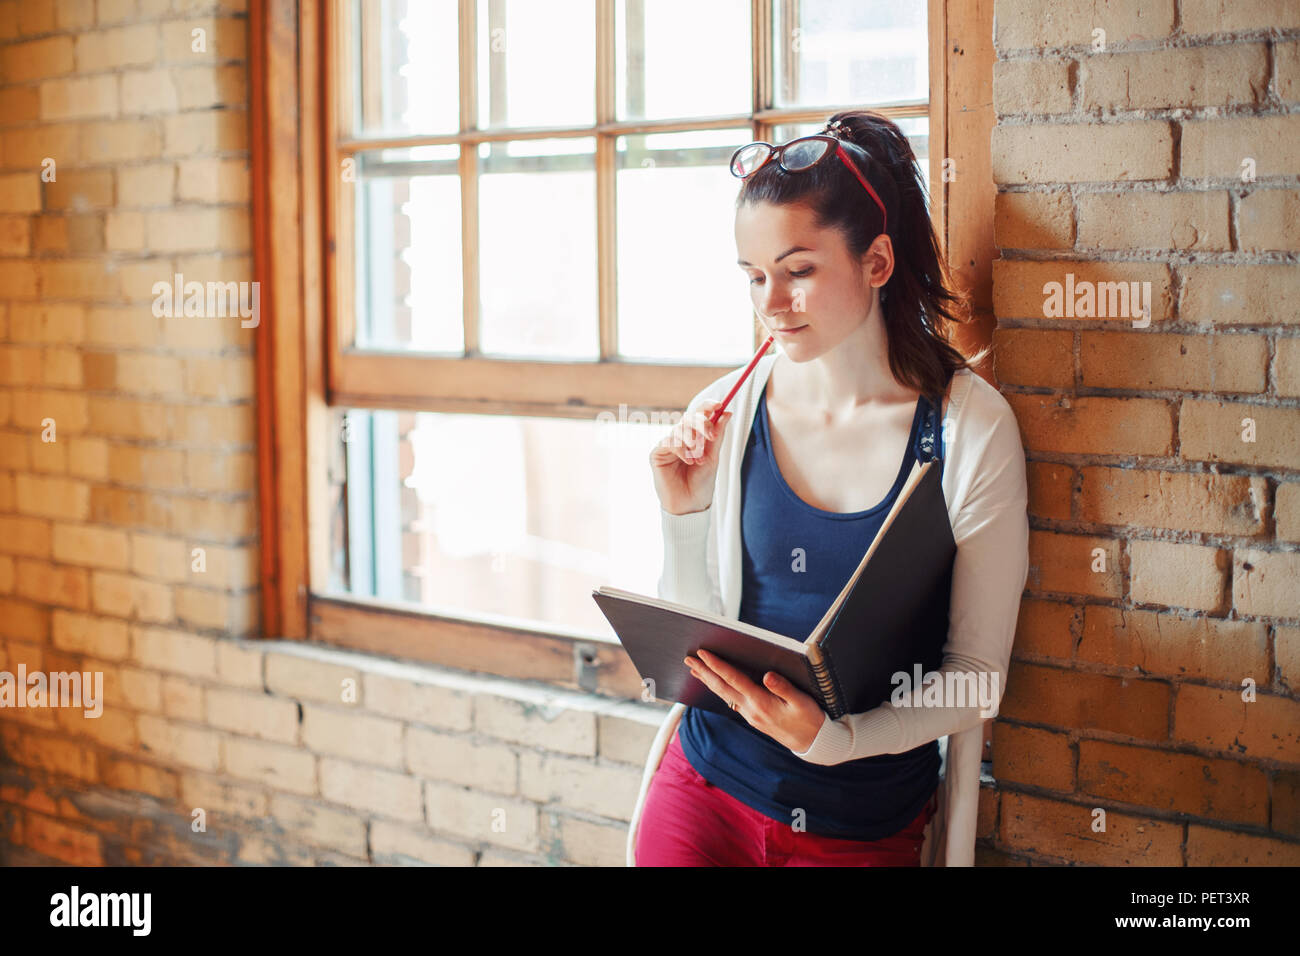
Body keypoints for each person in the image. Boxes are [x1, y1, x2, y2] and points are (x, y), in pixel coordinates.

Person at [631, 109, 1030, 866]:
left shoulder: (970, 430)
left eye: (799, 271)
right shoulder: (729, 409)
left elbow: (976, 679)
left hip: (859, 824)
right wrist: (684, 514)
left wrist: (842, 741)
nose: (770, 305)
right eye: (754, 277)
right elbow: (695, 649)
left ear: (876, 263)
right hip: (705, 789)